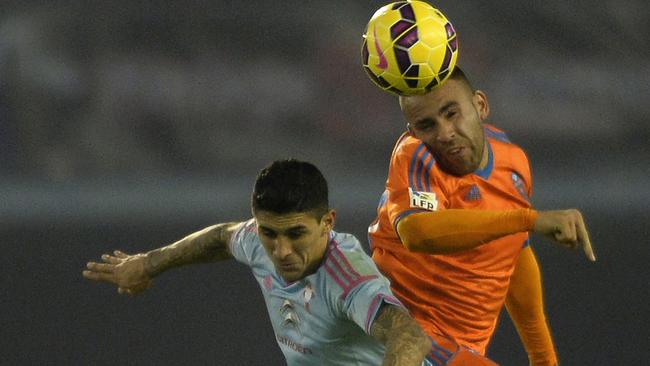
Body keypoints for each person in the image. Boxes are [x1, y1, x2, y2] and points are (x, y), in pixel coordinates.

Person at [82, 159, 495, 366]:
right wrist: (149, 263)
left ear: (326, 223)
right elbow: (223, 237)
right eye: (270, 233)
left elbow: (409, 336)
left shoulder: (347, 279)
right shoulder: (258, 242)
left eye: (295, 234)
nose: (281, 251)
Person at [368, 66, 596, 366]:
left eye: (451, 113)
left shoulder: (512, 162)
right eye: (427, 125)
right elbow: (416, 233)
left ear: (480, 105)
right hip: (404, 336)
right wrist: (528, 219)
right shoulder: (414, 156)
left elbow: (513, 254)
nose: (445, 133)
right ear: (414, 132)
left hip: (463, 350)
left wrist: (544, 358)